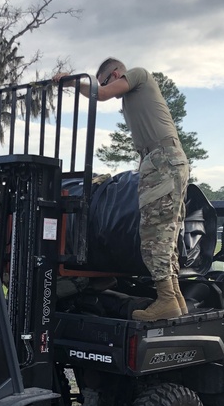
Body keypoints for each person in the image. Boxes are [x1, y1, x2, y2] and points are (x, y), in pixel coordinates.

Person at [53, 57, 189, 321]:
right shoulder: (133, 96)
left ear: (115, 74)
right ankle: (174, 297)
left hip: (162, 160)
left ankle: (167, 299)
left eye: (104, 80)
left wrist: (72, 81)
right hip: (161, 160)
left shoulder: (139, 75)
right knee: (165, 234)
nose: (105, 88)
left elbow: (100, 94)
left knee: (154, 235)